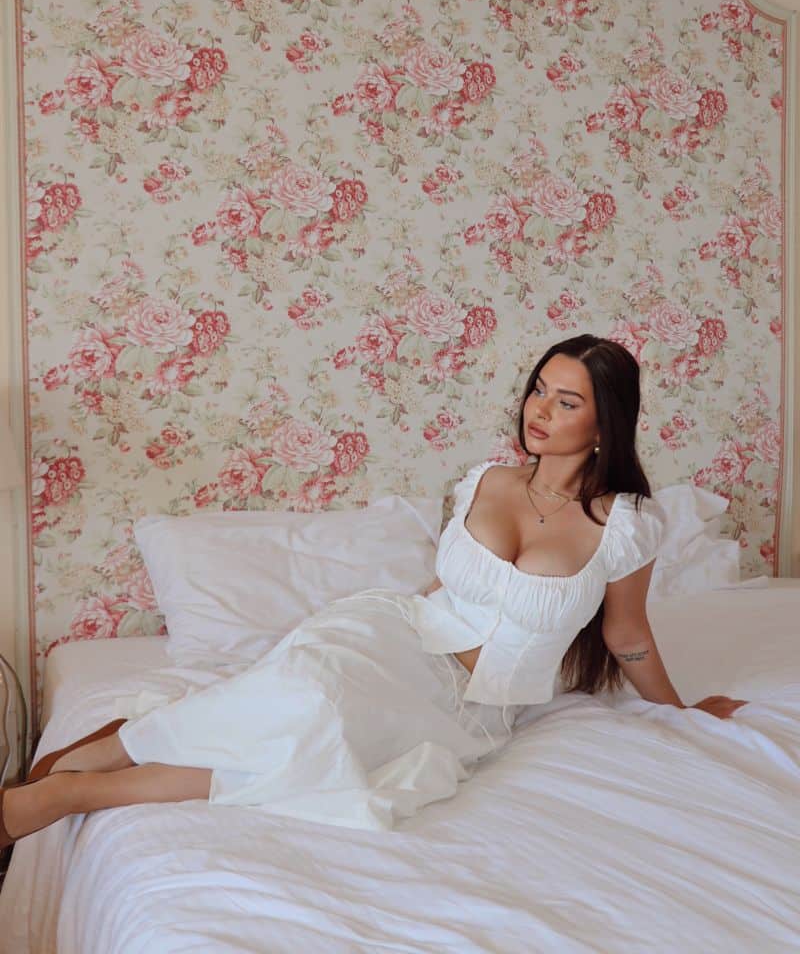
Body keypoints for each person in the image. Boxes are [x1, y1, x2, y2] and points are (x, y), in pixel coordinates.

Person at [0, 333, 747, 845]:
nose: (539, 412)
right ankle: (111, 755)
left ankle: (77, 788)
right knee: (311, 685)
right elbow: (442, 588)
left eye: (567, 402)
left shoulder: (627, 526)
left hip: (475, 706)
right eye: (539, 391)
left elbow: (626, 636)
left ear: (605, 423)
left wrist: (683, 713)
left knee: (322, 742)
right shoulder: (483, 481)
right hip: (397, 633)